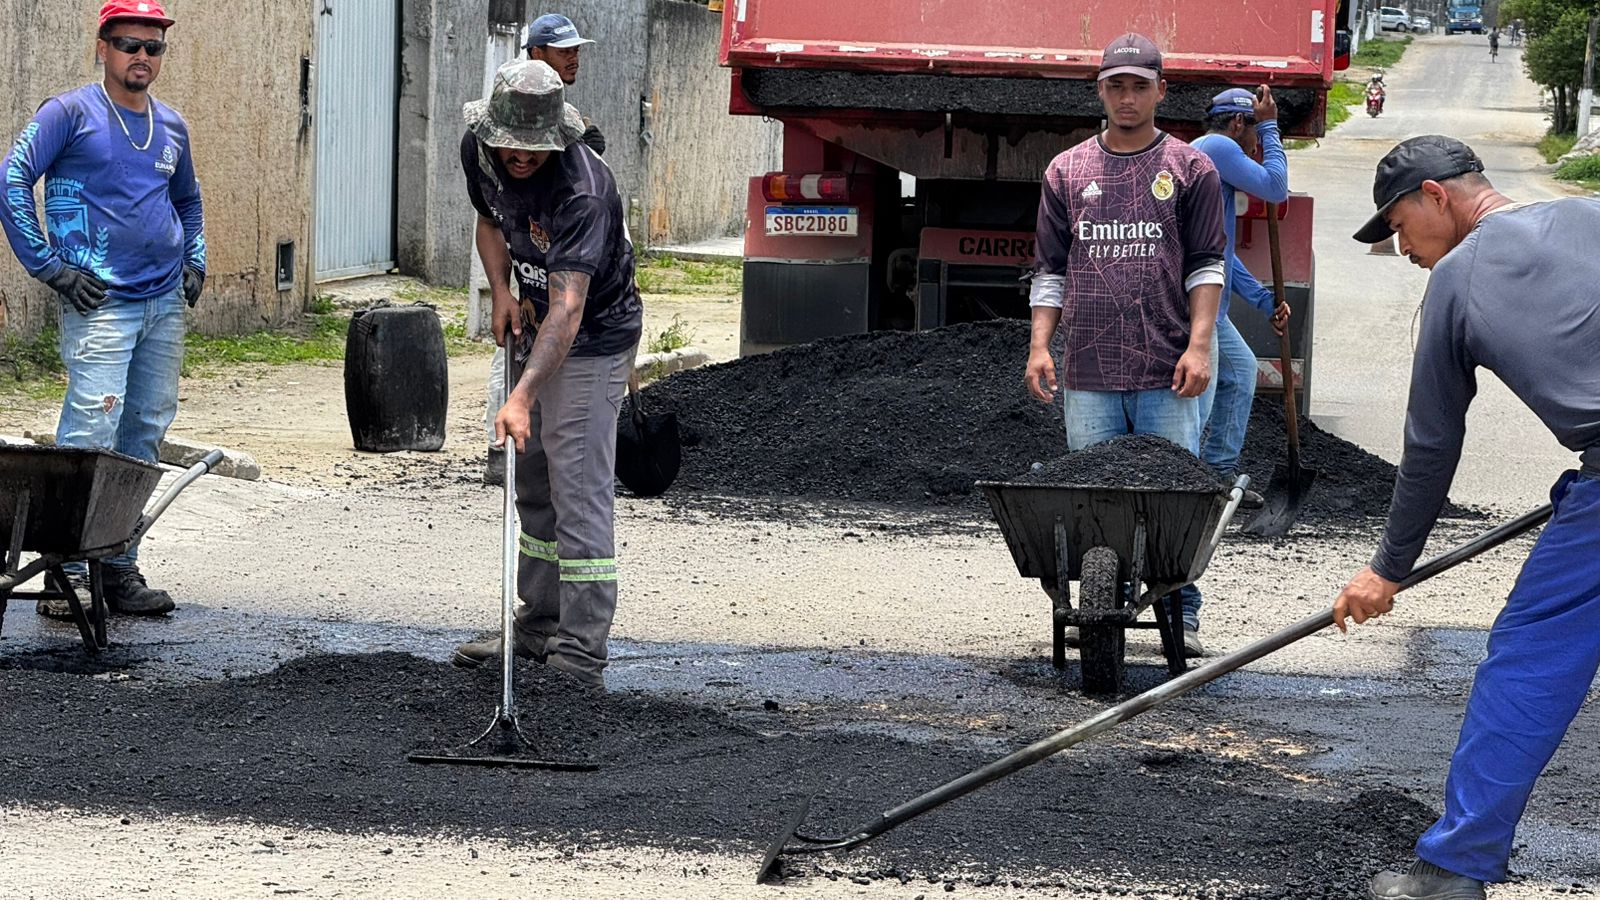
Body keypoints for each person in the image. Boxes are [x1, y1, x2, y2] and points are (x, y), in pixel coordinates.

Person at [1335, 135, 1600, 899]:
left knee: (1529, 662)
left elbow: (1430, 445)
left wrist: (1388, 567)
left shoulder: (1457, 276)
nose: (1403, 248)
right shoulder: (1588, 216)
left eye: (1397, 226)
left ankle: (1455, 869)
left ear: (1436, 196)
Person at [1, 0, 205, 618]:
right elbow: (12, 181)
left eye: (153, 47)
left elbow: (188, 201)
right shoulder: (69, 113)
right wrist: (50, 268)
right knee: (92, 429)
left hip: (163, 299)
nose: (141, 56)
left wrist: (193, 259)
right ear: (103, 47)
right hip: (100, 301)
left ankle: (116, 565)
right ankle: (66, 576)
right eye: (129, 44)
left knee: (144, 428)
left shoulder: (171, 127)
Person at [1025, 33, 1226, 657]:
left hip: (1167, 366)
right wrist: (1041, 347)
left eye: (1140, 85)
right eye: (1117, 85)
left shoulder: (1191, 168)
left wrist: (1199, 347)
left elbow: (1206, 266)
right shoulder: (1067, 170)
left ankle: (1181, 614)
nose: (1128, 97)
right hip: (1087, 367)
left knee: (1175, 498)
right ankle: (1099, 608)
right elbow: (1050, 270)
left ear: (1161, 91)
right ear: (1101, 91)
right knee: (1093, 501)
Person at [452, 61, 643, 689]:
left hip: (590, 339)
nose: (518, 157)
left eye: (533, 149)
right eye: (511, 144)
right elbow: (488, 219)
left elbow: (569, 307)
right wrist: (500, 288)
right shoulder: (480, 151)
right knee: (530, 484)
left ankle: (580, 653)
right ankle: (538, 625)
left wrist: (522, 397)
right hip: (532, 320)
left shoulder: (582, 190)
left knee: (577, 490)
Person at [485, 11, 606, 486]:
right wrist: (500, 289)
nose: (574, 58)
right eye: (563, 50)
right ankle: (503, 446)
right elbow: (487, 218)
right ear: (535, 54)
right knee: (514, 353)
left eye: (578, 49)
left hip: (575, 274)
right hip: (533, 282)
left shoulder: (579, 154)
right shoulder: (492, 141)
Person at [1190, 86, 1293, 509]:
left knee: (1240, 370)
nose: (1255, 147)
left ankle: (1217, 473)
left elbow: (1224, 253)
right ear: (1237, 123)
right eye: (1251, 133)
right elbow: (1275, 187)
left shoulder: (1210, 153)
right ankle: (1187, 484)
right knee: (1201, 395)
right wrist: (1270, 126)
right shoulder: (1215, 147)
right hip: (1197, 304)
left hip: (1213, 298)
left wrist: (1265, 301)